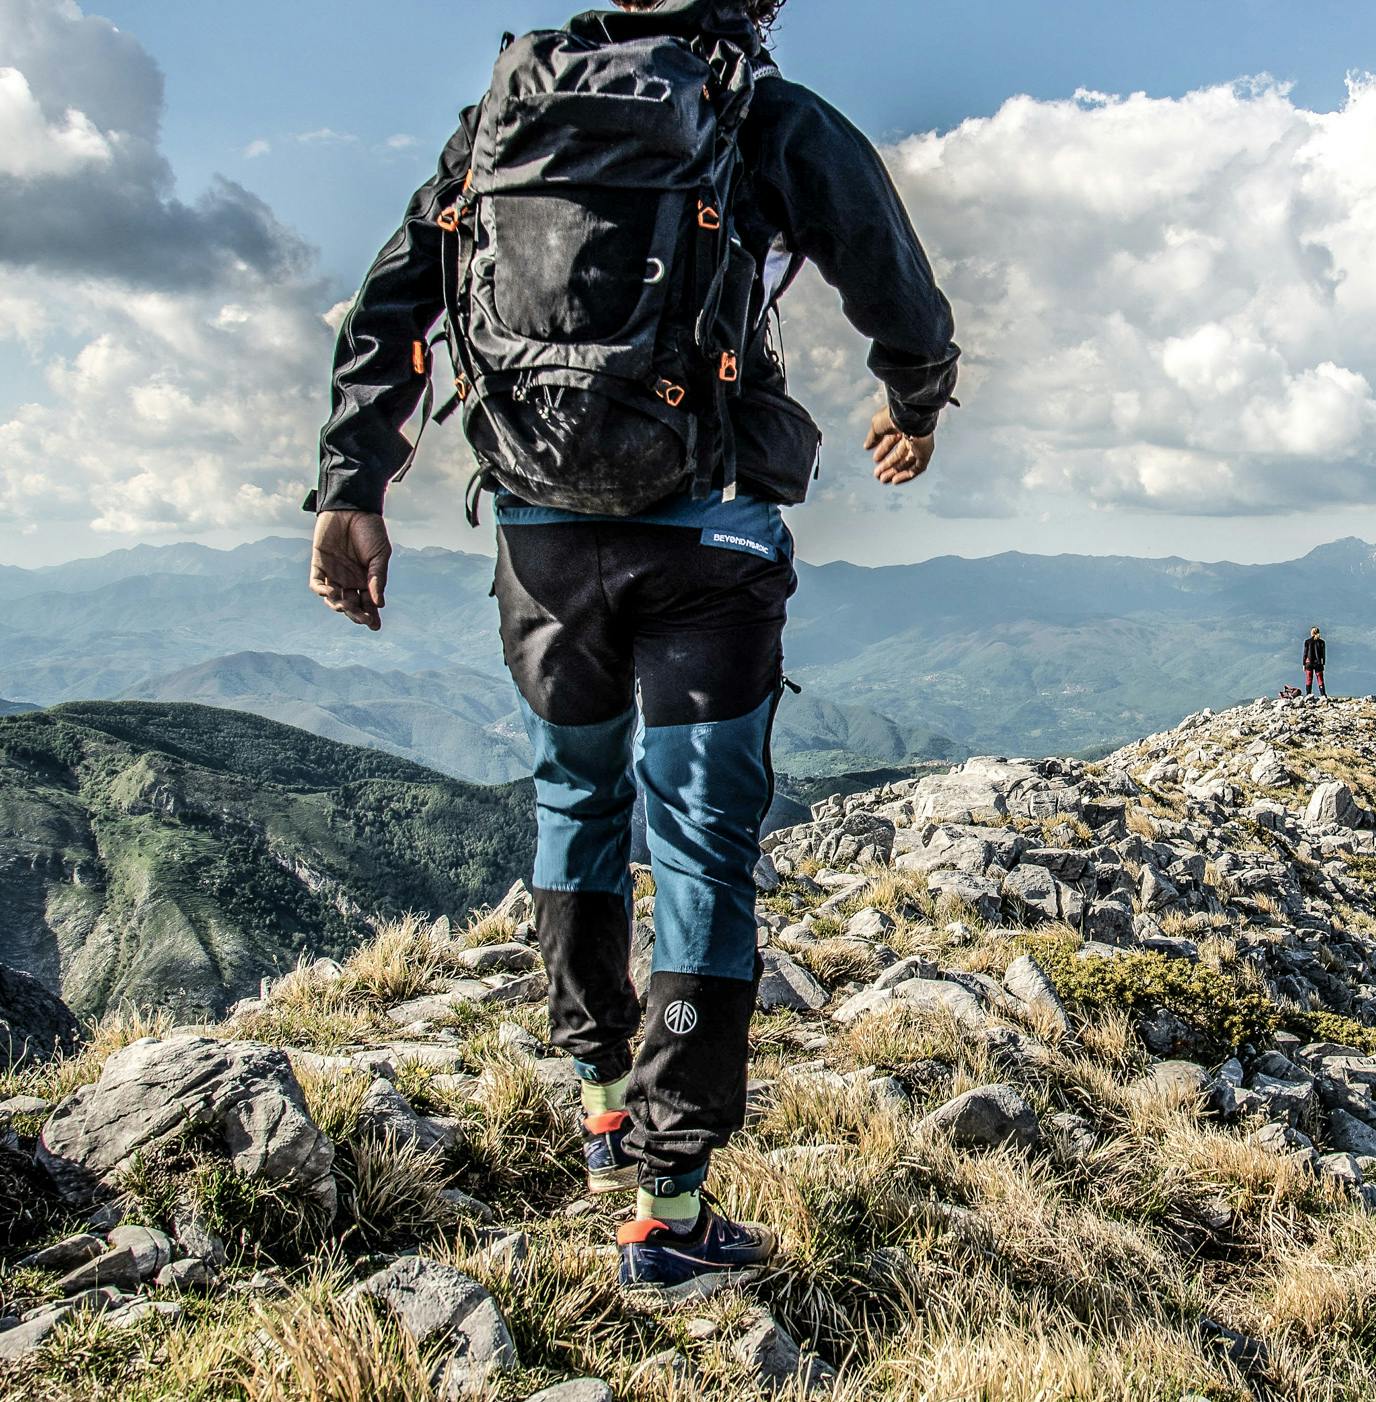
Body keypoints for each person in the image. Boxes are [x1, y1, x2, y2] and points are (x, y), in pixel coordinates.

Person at [306, 0, 960, 1296]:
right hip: (707, 548)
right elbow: (894, 279)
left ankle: (604, 1095)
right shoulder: (758, 115)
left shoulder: (504, 116)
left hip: (544, 548)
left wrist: (353, 483)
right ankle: (669, 1211)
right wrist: (915, 401)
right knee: (703, 849)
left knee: (575, 796)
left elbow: (395, 296)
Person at [1303, 626, 1327, 697]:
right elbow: (1323, 654)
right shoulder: (1322, 642)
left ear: (1312, 632)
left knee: (1309, 679)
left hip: (1309, 663)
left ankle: (1308, 695)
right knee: (1320, 679)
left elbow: (1305, 653)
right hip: (1318, 663)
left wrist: (1304, 664)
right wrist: (1323, 664)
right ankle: (1323, 695)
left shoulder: (1307, 641)